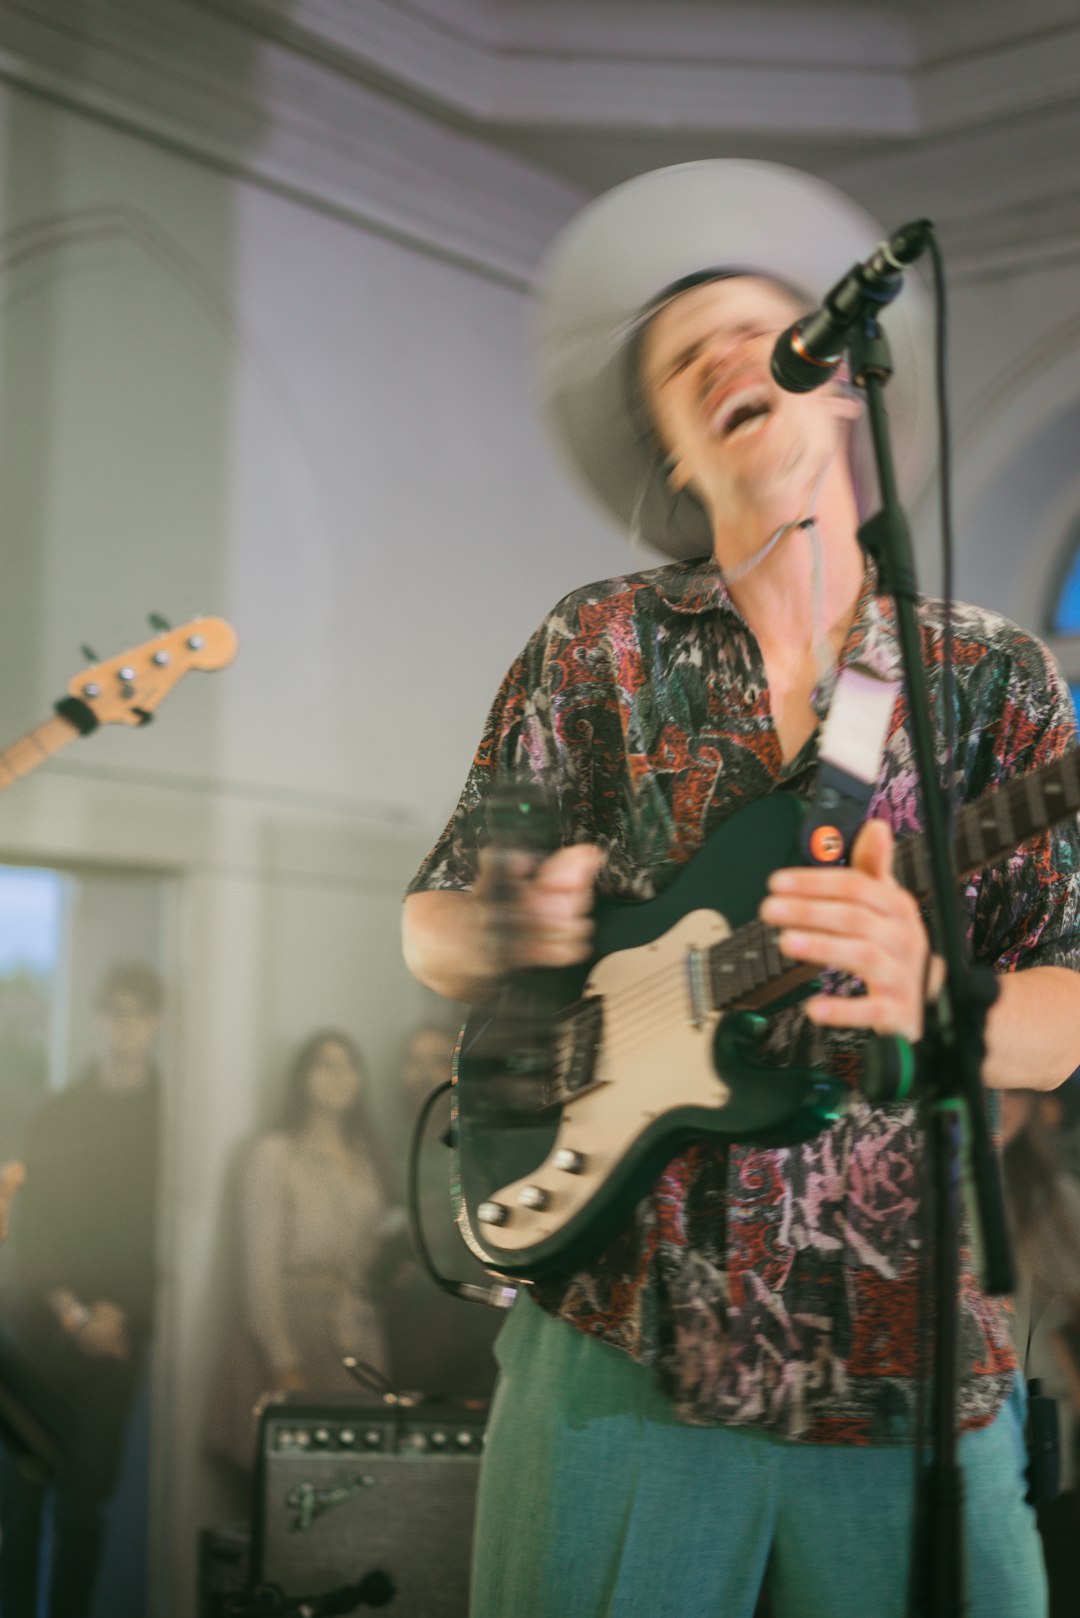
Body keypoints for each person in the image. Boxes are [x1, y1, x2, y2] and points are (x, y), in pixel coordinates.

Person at [401, 160, 1080, 1618]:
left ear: (841, 387)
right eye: (678, 358)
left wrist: (940, 990)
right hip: (620, 1337)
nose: (722, 357)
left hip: (910, 1358)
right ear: (671, 448)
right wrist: (500, 927)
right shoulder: (596, 647)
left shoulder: (992, 679)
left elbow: (1069, 1012)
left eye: (752, 329)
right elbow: (432, 920)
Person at [0, 962, 162, 1618]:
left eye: (138, 1011)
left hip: (116, 1337)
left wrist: (116, 1314)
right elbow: (31, 1226)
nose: (125, 1025)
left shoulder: (170, 1120)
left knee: (83, 1505)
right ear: (97, 1017)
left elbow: (162, 1232)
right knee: (20, 1500)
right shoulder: (62, 1113)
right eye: (114, 1010)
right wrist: (71, 1314)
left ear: (157, 1021)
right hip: (43, 1331)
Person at [208, 1031, 394, 1471]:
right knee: (291, 1478)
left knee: (355, 1475)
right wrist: (281, 1358)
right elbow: (259, 1267)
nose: (339, 1076)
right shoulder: (275, 1154)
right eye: (325, 1065)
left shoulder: (365, 1156)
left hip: (353, 1327)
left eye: (349, 1065)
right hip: (294, 1322)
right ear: (302, 1077)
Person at [1002, 1089, 1080, 1618]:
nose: (1001, 1102)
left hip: (1038, 1420)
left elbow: (1064, 1314)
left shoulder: (1049, 1195)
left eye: (1015, 1092)